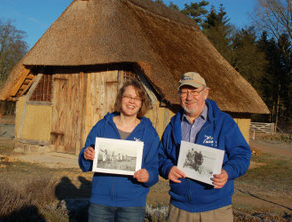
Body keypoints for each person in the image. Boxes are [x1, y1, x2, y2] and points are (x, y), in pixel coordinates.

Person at [158, 72, 251, 222]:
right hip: (179, 210)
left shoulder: (224, 123)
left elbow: (242, 155)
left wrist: (227, 172)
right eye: (184, 92)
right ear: (179, 95)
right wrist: (167, 168)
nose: (189, 97)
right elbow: (160, 156)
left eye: (194, 91)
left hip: (216, 209)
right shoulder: (172, 125)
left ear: (205, 93)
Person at [78, 79, 160, 222]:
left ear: (141, 103)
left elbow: (154, 167)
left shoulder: (149, 133)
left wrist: (148, 175)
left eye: (137, 98)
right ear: (120, 99)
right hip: (100, 203)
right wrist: (86, 155)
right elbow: (84, 162)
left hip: (132, 205)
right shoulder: (102, 126)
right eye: (128, 96)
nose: (131, 101)